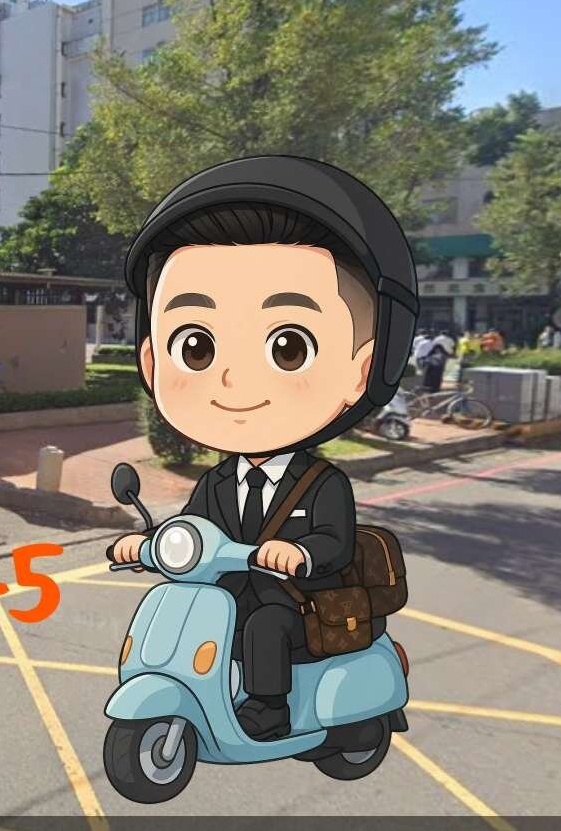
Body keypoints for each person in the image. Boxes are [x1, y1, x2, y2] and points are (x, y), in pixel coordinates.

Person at [109, 156, 413, 743]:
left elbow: (334, 542)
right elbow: (194, 530)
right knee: (203, 619)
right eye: (196, 348)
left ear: (363, 367)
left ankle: (269, 711)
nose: (234, 380)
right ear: (151, 361)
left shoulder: (323, 483)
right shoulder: (219, 482)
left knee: (264, 625)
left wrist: (297, 554)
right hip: (226, 595)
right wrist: (147, 545)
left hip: (300, 602)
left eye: (289, 347)